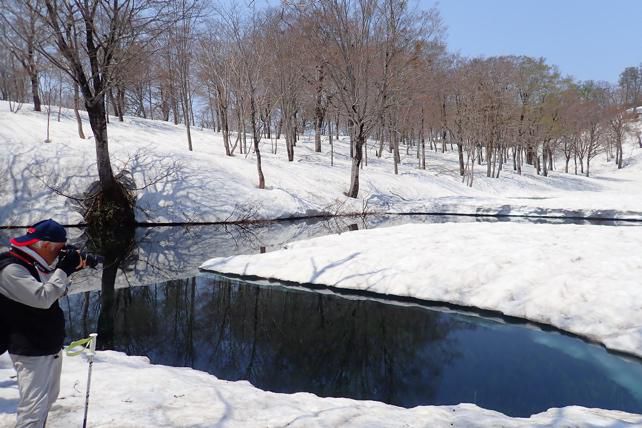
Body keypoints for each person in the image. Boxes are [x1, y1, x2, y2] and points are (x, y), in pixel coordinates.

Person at [0, 219, 87, 428]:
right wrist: (63, 270)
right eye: (59, 249)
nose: (60, 254)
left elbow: (54, 290)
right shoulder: (11, 269)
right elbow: (43, 298)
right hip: (30, 348)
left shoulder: (34, 263)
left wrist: (69, 270)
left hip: (48, 344)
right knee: (33, 410)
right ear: (45, 245)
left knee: (47, 400)